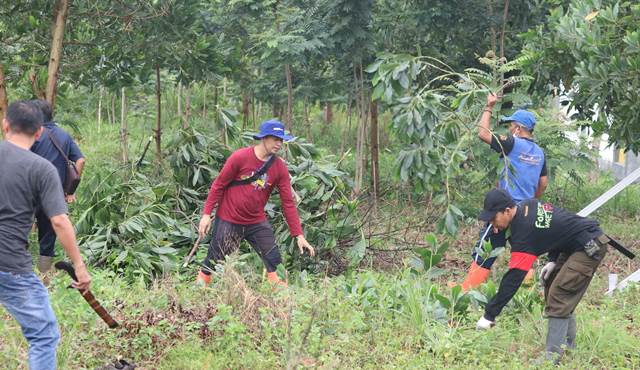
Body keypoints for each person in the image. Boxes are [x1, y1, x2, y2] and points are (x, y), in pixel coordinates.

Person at [0, 100, 91, 369]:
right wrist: (79, 265)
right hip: (10, 265)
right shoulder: (42, 169)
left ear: (5, 125)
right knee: (43, 334)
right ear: (39, 132)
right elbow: (60, 221)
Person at [475, 189, 608, 363]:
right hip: (573, 245)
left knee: (560, 295)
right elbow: (553, 228)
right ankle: (568, 347)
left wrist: (489, 314)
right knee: (552, 284)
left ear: (507, 211)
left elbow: (514, 279)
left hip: (590, 246)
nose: (493, 224)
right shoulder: (527, 206)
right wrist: (553, 260)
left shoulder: (524, 231)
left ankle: (551, 359)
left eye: (494, 218)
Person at [196, 119, 315, 286]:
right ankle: (198, 293)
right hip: (229, 219)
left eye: (281, 140)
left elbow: (288, 202)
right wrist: (206, 214)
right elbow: (219, 185)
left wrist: (299, 235)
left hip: (256, 222)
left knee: (274, 261)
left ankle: (283, 303)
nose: (279, 144)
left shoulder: (279, 167)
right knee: (213, 259)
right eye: (275, 139)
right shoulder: (240, 157)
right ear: (264, 138)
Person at [458, 93, 548, 291]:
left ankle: (466, 291)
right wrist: (531, 201)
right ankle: (527, 297)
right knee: (524, 253)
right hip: (528, 212)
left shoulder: (512, 143)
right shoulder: (539, 153)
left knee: (486, 249)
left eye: (510, 126)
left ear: (517, 128)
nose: (509, 129)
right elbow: (543, 183)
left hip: (505, 210)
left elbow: (482, 133)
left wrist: (488, 106)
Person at [29, 99, 85, 273]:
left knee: (17, 234)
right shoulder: (64, 135)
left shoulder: (32, 134)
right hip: (54, 196)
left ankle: (17, 276)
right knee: (47, 239)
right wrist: (69, 191)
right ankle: (44, 277)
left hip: (29, 193)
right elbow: (80, 160)